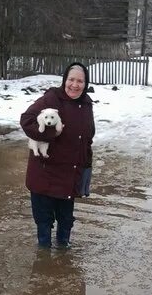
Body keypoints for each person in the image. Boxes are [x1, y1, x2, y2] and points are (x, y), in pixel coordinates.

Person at [20, 62, 95, 249]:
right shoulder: (51, 99)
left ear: (85, 83)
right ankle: (44, 265)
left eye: (80, 81)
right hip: (45, 173)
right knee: (44, 224)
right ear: (64, 80)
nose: (75, 85)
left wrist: (86, 168)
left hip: (69, 176)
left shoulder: (86, 104)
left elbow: (87, 138)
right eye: (71, 79)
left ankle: (63, 263)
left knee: (66, 222)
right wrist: (51, 134)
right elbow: (27, 121)